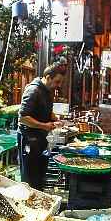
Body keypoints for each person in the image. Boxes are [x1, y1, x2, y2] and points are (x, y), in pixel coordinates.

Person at [18, 63, 66, 191]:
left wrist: (55, 118)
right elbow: (23, 117)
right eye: (57, 81)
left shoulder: (47, 91)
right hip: (29, 139)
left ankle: (38, 199)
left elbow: (45, 110)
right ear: (48, 77)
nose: (59, 85)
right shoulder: (33, 90)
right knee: (30, 177)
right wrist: (44, 125)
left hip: (41, 139)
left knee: (40, 174)